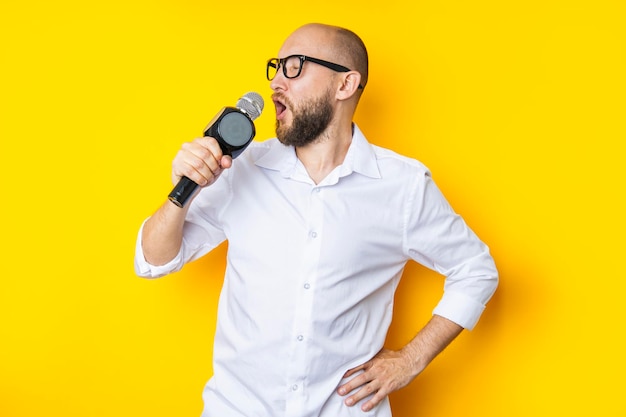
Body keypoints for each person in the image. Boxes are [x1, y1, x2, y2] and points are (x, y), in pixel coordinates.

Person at [134, 22, 498, 417]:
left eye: (296, 66)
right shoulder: (241, 169)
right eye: (277, 67)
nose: (276, 84)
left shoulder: (402, 185)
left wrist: (411, 359)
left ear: (346, 85)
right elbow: (152, 261)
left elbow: (476, 269)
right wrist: (184, 191)